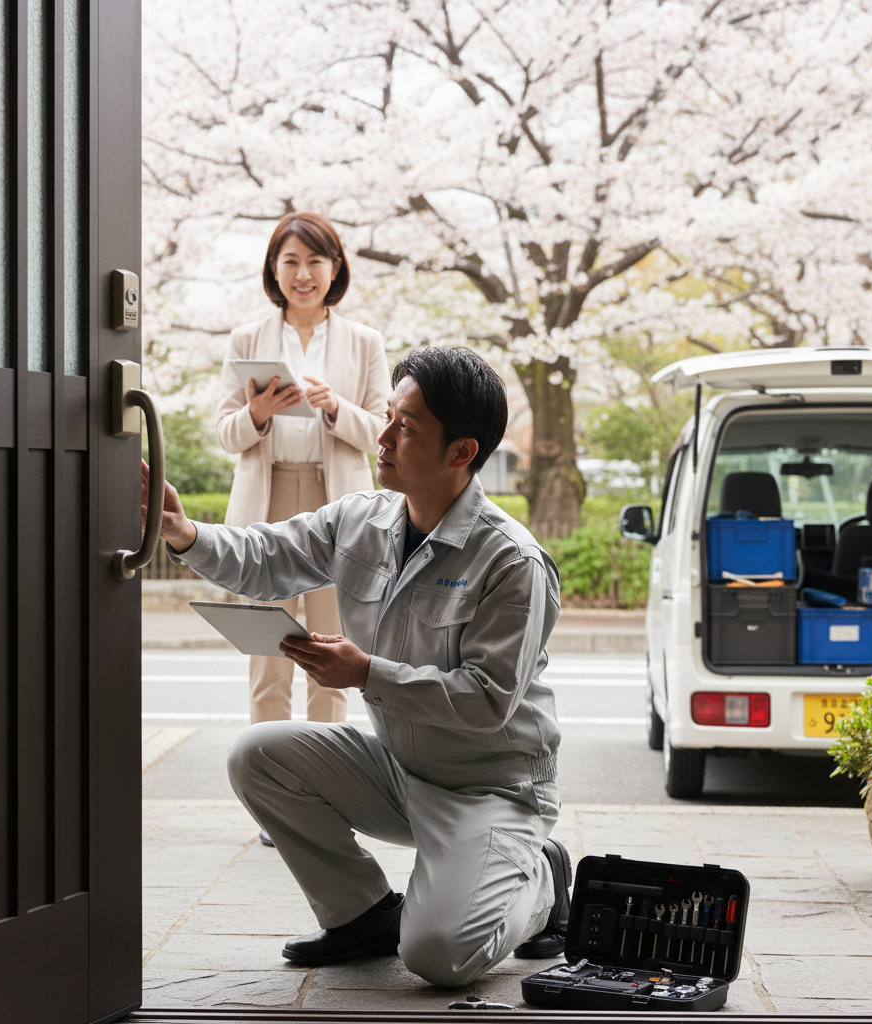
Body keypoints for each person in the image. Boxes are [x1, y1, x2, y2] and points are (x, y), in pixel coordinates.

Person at [146, 347, 570, 989]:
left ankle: (540, 878)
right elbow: (265, 558)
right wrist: (182, 533)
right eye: (390, 416)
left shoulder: (511, 562)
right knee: (256, 754)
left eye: (408, 427)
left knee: (439, 958)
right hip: (402, 768)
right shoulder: (361, 518)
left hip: (491, 789)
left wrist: (367, 673)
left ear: (462, 452)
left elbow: (489, 701)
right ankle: (363, 913)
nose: (384, 435)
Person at [215, 211, 391, 729]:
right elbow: (226, 432)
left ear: (335, 268)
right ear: (274, 270)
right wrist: (258, 415)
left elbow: (384, 431)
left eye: (315, 260)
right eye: (289, 261)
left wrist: (335, 406)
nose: (303, 273)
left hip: (338, 502)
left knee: (332, 649)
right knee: (267, 651)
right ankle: (267, 765)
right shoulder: (247, 339)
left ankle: (325, 773)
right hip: (267, 501)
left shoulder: (365, 341)